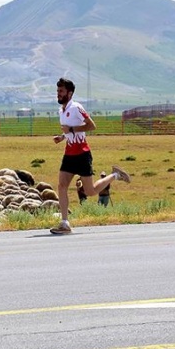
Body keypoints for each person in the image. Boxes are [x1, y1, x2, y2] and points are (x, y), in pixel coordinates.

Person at [51, 77, 131, 234]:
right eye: (57, 91)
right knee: (61, 186)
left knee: (90, 191)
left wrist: (72, 130)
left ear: (70, 93)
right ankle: (65, 223)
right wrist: (62, 137)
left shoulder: (76, 107)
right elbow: (69, 130)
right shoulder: (62, 110)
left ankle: (115, 175)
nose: (58, 94)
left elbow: (91, 125)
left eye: (61, 91)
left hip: (82, 154)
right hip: (69, 154)